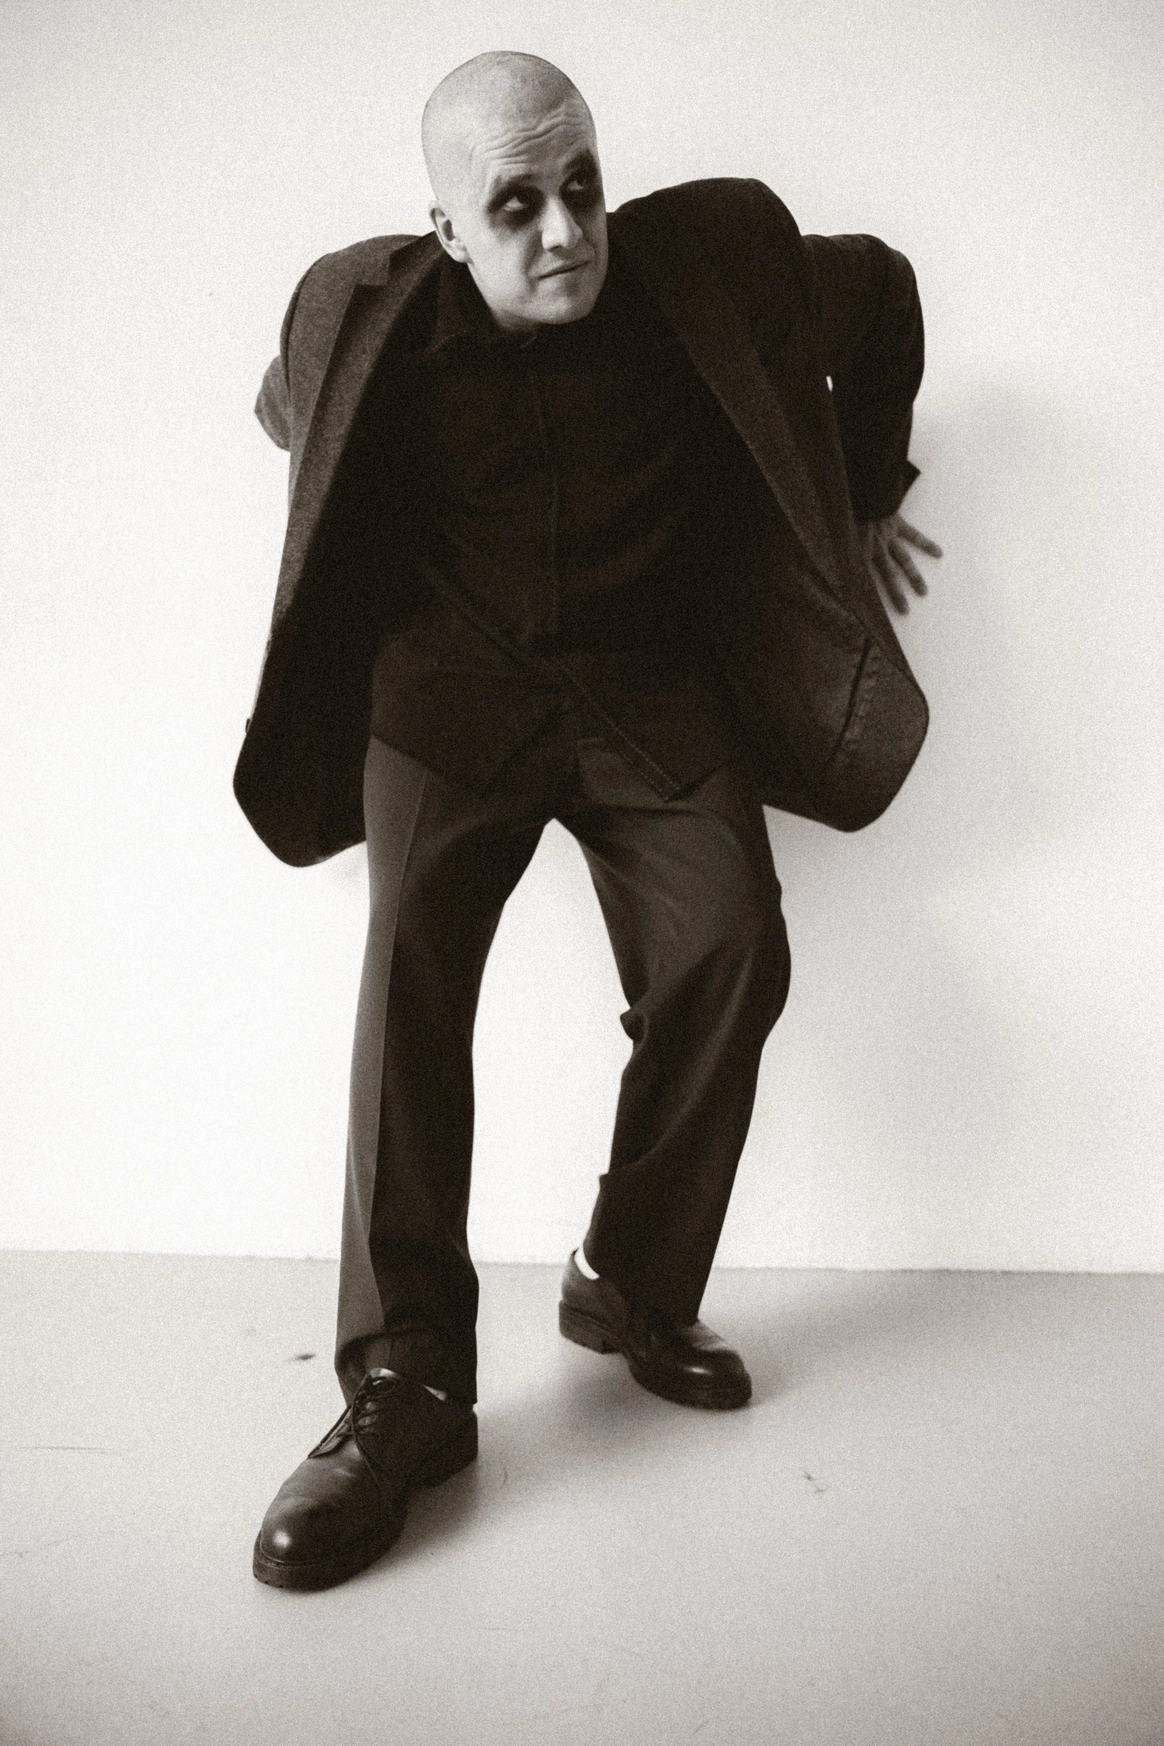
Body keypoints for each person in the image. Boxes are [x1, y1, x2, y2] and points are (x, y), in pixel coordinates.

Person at [238, 50, 941, 1591]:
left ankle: (627, 1275)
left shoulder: (715, 267)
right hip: (449, 699)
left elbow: (883, 294)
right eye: (516, 205)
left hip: (646, 688)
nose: (565, 230)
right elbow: (290, 408)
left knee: (733, 948)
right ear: (446, 227)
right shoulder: (362, 316)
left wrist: (867, 486)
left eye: (582, 185)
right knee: (409, 990)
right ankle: (407, 1384)